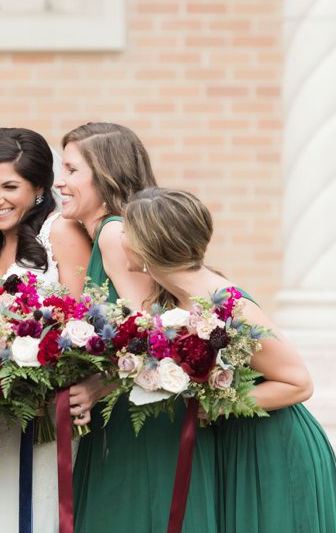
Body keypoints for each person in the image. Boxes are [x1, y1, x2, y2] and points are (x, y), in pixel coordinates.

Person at [122, 187, 336, 532]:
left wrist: (215, 406)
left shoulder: (231, 307)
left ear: (147, 244)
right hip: (232, 447)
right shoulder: (173, 300)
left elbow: (299, 382)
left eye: (126, 231)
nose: (119, 237)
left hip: (271, 448)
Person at [57, 123, 218, 532]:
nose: (60, 182)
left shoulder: (114, 233)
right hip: (129, 411)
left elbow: (154, 335)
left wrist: (99, 387)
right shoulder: (101, 234)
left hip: (141, 417)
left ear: (106, 174)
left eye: (73, 170)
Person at [0, 127, 91, 532]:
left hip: (45, 419)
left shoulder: (61, 233)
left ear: (38, 187)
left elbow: (82, 324)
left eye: (9, 186)